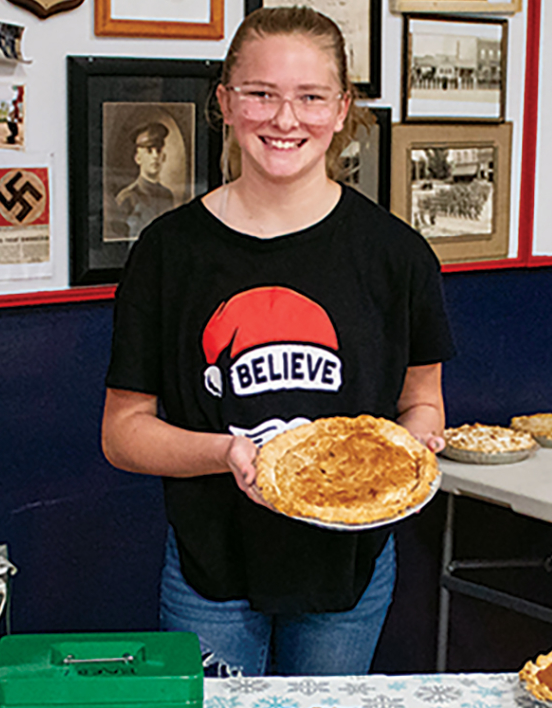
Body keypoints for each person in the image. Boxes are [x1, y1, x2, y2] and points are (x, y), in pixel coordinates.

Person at [100, 6, 454, 677]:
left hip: (347, 573)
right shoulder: (167, 253)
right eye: (261, 94)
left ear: (343, 108)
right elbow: (122, 433)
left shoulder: (396, 255)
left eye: (310, 97)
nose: (285, 120)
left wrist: (416, 444)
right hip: (211, 569)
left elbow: (424, 404)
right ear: (225, 103)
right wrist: (229, 453)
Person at [114, 122, 177, 238]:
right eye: (149, 150)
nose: (155, 156)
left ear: (163, 157)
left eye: (158, 150)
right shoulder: (127, 197)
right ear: (138, 158)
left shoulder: (168, 196)